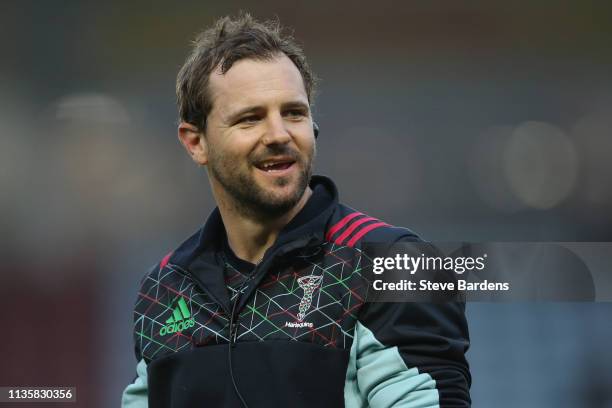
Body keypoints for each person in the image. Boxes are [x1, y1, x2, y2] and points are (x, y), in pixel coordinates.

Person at [121, 13, 471, 408]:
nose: (279, 134)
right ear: (195, 142)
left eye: (294, 113)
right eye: (250, 118)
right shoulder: (164, 290)